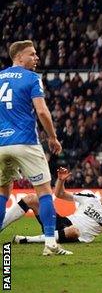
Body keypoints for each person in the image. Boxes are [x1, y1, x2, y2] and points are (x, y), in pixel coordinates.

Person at [0, 40, 71, 255]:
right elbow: (41, 111)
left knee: (3, 193)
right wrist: (52, 137)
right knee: (44, 192)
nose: (36, 58)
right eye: (32, 54)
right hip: (26, 141)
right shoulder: (31, 78)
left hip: (2, 144)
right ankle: (50, 242)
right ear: (19, 57)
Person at [4, 167, 102, 244]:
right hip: (62, 222)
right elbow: (60, 194)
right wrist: (61, 181)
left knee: (74, 231)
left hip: (76, 236)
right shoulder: (89, 196)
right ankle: (1, 225)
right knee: (31, 198)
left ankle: (27, 240)